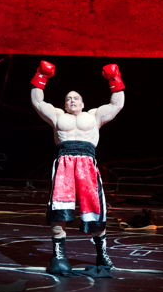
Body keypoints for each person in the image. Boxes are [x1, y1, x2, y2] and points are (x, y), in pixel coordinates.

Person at [30, 60, 125, 275]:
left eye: (76, 98)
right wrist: (41, 76)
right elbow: (37, 102)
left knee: (96, 211)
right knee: (58, 211)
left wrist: (114, 79)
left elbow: (117, 104)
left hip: (87, 166)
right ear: (64, 104)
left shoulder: (94, 116)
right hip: (64, 165)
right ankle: (59, 255)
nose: (72, 100)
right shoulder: (57, 116)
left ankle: (101, 254)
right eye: (68, 98)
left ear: (82, 103)